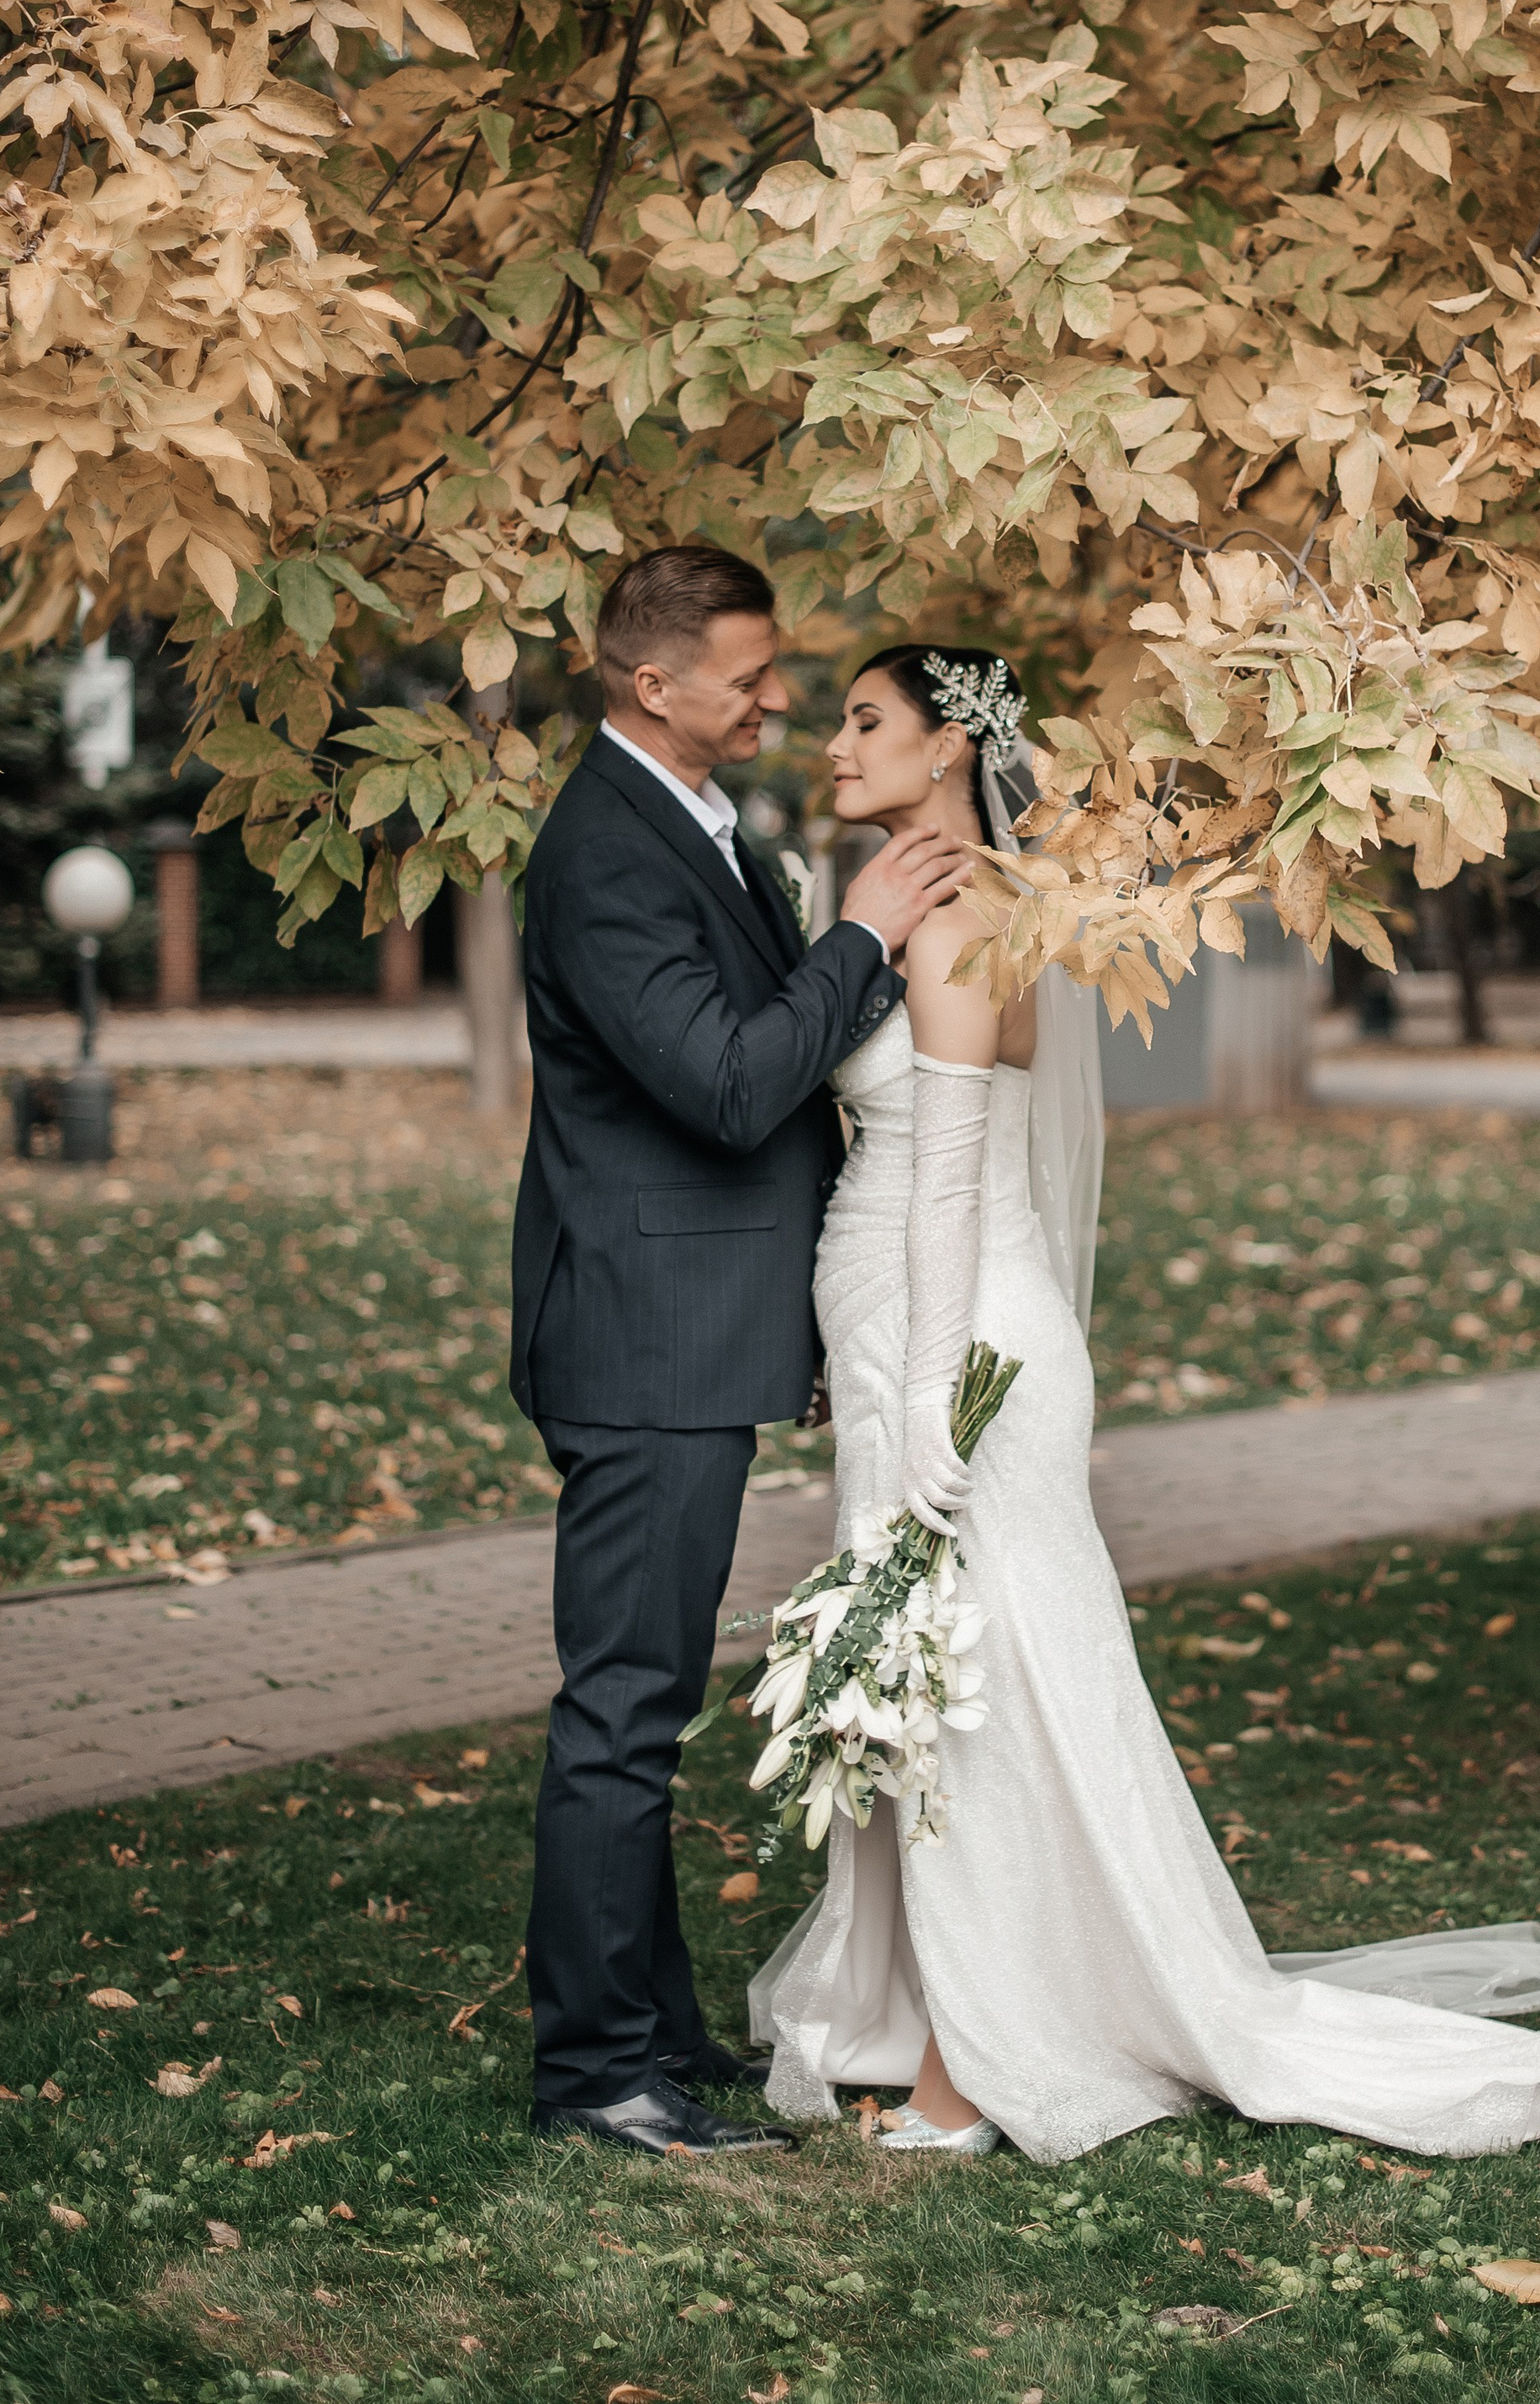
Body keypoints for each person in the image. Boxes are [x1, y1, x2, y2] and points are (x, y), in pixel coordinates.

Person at [751, 642, 1540, 2163]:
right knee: (962, 1679)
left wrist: (928, 1392)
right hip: (909, 1327)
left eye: (866, 723)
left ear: (945, 753)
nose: (836, 748)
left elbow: (958, 1176)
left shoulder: (968, 918)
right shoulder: (936, 906)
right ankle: (946, 2011)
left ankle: (977, 2067)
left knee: (990, 1691)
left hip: (956, 1337)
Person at [514, 547, 967, 2158]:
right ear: (655, 686)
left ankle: (656, 2028)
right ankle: (593, 2074)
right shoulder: (600, 858)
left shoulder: (696, 825)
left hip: (704, 1323)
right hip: (640, 1339)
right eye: (750, 674)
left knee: (654, 1699)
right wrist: (855, 934)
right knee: (625, 1705)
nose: (779, 697)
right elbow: (724, 1084)